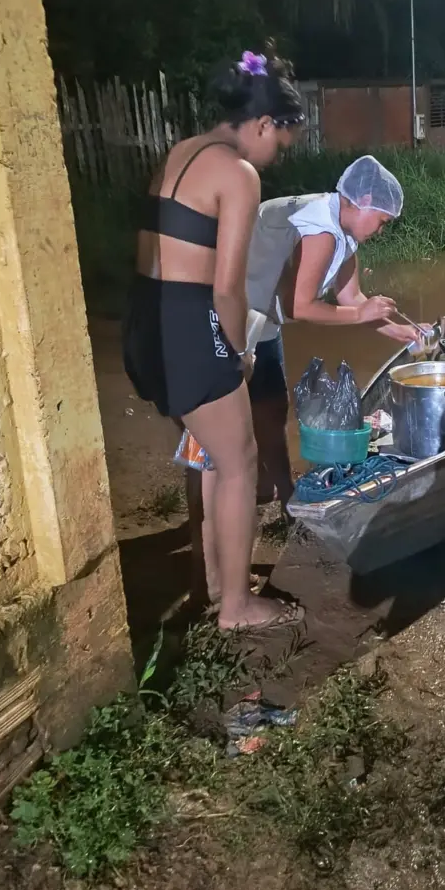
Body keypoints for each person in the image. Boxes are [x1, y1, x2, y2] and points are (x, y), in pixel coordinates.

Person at [186, 156, 427, 606]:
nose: (382, 227)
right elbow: (303, 307)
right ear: (362, 202)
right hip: (221, 318)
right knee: (214, 451)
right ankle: (212, 582)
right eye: (382, 219)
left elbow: (351, 299)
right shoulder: (319, 228)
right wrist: (361, 312)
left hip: (259, 320)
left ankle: (281, 496)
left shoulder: (346, 233)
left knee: (272, 407)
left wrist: (400, 330)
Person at [123, 50, 307, 633]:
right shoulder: (237, 173)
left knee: (206, 451)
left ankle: (212, 579)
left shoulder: (181, 153)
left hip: (145, 322)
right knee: (240, 462)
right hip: (188, 326)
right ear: (263, 124)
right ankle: (237, 608)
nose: (274, 157)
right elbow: (226, 290)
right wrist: (239, 353)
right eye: (279, 143)